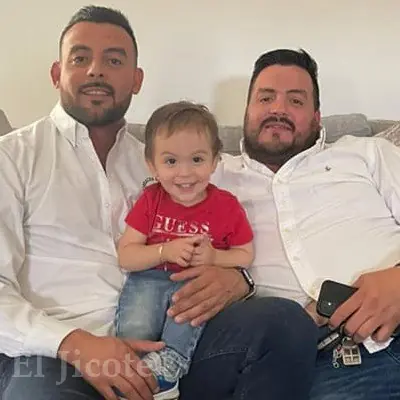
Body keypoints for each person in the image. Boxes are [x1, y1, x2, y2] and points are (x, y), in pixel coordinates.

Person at [0, 6, 319, 400]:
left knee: (284, 322)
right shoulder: (12, 158)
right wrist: (74, 343)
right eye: (80, 58)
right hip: (59, 354)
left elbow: (225, 234)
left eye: (114, 60)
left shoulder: (169, 164)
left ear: (136, 80)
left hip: (172, 343)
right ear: (56, 73)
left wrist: (239, 280)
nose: (96, 70)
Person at [214, 48, 400, 399]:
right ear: (247, 111)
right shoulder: (208, 176)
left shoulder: (365, 153)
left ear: (317, 118)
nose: (278, 109)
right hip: (305, 367)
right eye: (265, 98)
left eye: (295, 100)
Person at [116, 101, 254, 400]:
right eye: (171, 161)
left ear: (215, 161)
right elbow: (126, 255)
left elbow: (245, 254)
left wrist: (216, 257)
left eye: (197, 159)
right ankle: (133, 368)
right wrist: (164, 251)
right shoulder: (150, 200)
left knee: (189, 313)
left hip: (196, 282)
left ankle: (169, 368)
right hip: (150, 278)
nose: (185, 173)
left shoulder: (227, 206)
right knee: (137, 320)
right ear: (151, 164)